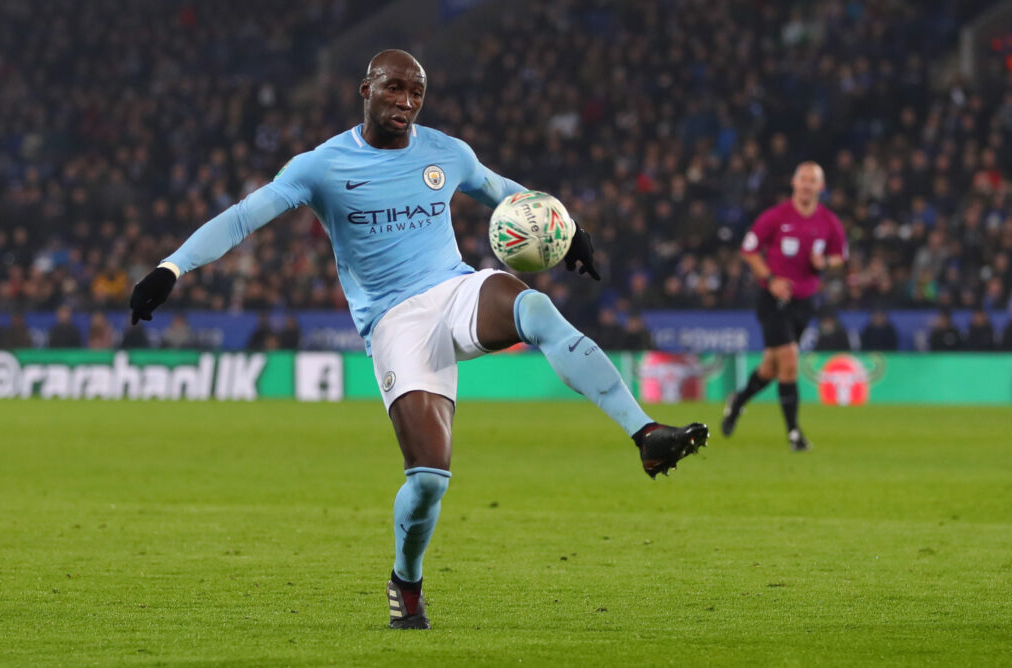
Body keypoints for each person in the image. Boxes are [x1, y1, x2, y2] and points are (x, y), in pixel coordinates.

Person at [129, 50, 709, 630]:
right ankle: (406, 581)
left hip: (457, 290)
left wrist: (571, 229)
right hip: (393, 322)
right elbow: (240, 219)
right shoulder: (320, 166)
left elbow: (508, 193)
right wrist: (171, 269)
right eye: (394, 89)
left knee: (534, 307)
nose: (406, 102)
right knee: (429, 480)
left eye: (416, 92)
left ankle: (646, 433)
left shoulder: (447, 153)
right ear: (366, 89)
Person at [721, 162, 847, 451]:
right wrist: (770, 278)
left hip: (805, 302)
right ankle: (794, 434)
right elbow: (748, 249)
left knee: (771, 368)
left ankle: (737, 401)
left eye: (812, 180)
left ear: (820, 187)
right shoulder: (775, 217)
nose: (806, 184)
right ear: (794, 182)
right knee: (789, 362)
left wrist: (825, 263)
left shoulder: (828, 221)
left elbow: (840, 257)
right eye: (802, 178)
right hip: (773, 298)